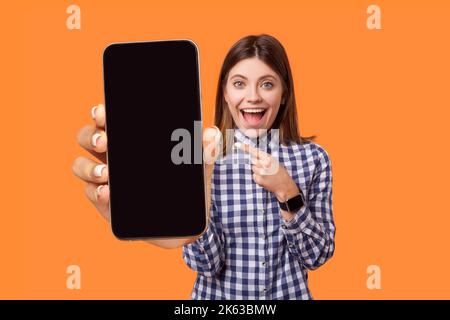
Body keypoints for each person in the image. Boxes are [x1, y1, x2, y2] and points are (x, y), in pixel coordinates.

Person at [72, 34, 335, 300]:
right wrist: (197, 192)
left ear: (284, 92)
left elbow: (317, 256)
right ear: (225, 92)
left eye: (267, 84)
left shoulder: (314, 159)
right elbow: (207, 265)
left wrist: (287, 192)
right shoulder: (202, 154)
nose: (253, 97)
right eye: (239, 84)